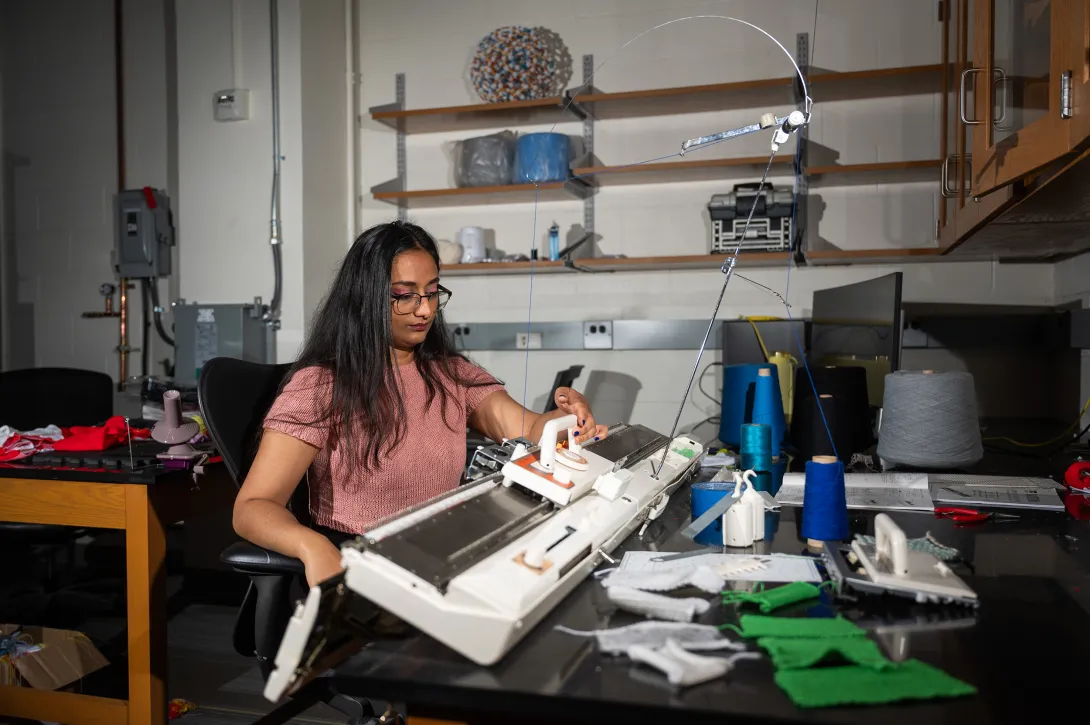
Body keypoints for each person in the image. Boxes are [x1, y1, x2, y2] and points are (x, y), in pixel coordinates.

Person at [233, 221, 608, 586]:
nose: (426, 310)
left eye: (431, 292)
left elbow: (528, 430)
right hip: (365, 561)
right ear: (366, 297)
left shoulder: (449, 373)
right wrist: (310, 545)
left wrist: (566, 420)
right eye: (405, 295)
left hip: (440, 551)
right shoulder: (321, 385)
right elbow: (253, 506)